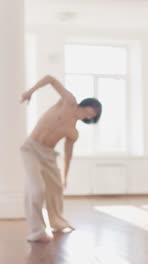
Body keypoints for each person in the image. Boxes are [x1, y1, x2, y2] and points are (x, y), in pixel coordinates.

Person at [20, 75, 102, 242]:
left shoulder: (73, 132)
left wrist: (65, 176)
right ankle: (37, 231)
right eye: (95, 109)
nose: (93, 113)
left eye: (96, 114)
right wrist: (30, 92)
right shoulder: (69, 101)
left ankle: (57, 222)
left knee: (56, 189)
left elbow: (68, 155)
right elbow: (50, 79)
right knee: (36, 190)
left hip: (48, 155)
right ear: (88, 105)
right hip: (31, 149)